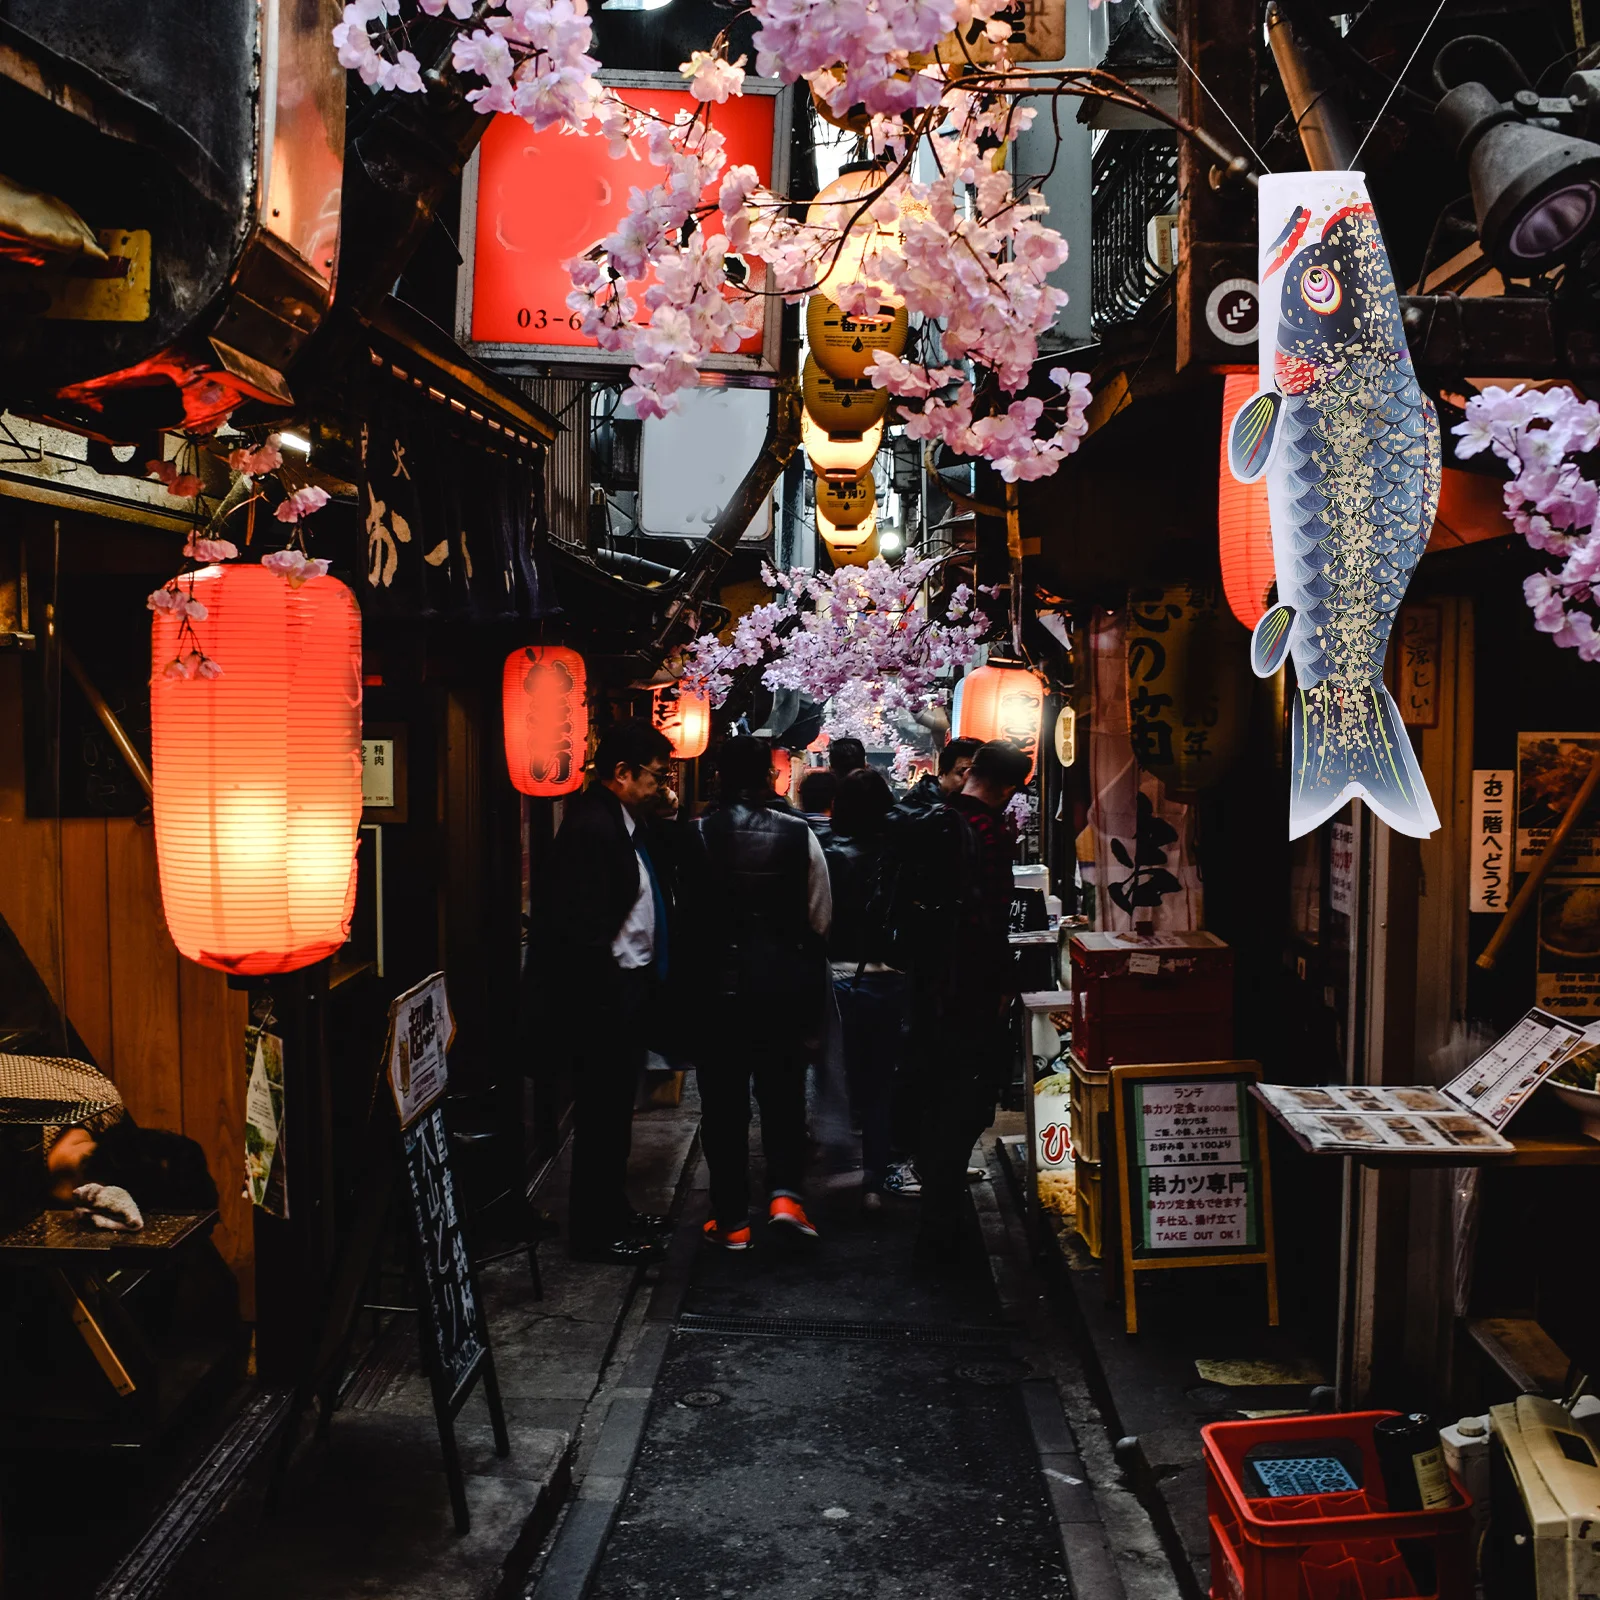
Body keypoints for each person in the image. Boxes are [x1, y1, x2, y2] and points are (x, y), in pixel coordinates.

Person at [528, 718, 677, 1264]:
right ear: (621, 772)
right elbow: (579, 930)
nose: (663, 786)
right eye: (657, 777)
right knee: (601, 1121)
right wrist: (612, 995)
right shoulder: (594, 828)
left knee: (615, 1117)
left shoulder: (622, 818)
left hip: (622, 990)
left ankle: (615, 1212)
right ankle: (596, 1232)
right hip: (601, 999)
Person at [685, 737, 832, 1250]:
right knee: (783, 1096)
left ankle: (731, 1221)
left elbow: (683, 921)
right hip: (783, 990)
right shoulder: (799, 833)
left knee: (723, 1107)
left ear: (719, 777)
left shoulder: (697, 833)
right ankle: (785, 1197)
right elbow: (820, 917)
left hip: (717, 992)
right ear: (771, 777)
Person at [916, 739, 1032, 1267]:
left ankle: (936, 1214)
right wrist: (1003, 984)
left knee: (936, 1094)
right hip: (970, 985)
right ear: (1009, 788)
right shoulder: (987, 831)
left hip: (928, 983)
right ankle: (941, 1224)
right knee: (963, 1099)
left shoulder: (935, 819)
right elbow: (986, 920)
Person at [822, 767, 902, 1212]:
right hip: (889, 975)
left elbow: (818, 916)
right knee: (879, 1082)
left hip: (839, 974)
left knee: (837, 1077)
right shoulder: (899, 852)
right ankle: (874, 1175)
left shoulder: (828, 851)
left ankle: (843, 1167)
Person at [904, 737, 981, 810]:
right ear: (942, 773)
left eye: (974, 777)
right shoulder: (912, 812)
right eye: (961, 773)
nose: (968, 782)